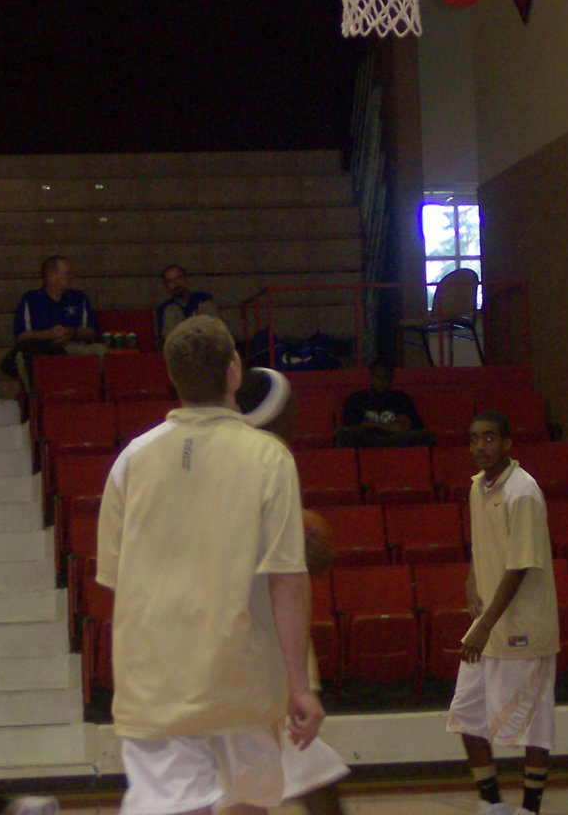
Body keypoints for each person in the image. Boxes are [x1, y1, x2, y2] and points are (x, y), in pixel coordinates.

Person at [96, 315, 323, 815]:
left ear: (173, 378)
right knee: (247, 805)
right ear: (234, 372)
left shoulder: (130, 460)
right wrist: (299, 687)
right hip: (239, 677)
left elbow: (114, 579)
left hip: (154, 681)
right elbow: (287, 580)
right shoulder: (269, 457)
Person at [237, 367, 349, 815]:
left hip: (260, 641)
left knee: (265, 778)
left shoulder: (254, 458)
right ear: (277, 411)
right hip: (264, 643)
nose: (301, 413)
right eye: (294, 404)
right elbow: (275, 566)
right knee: (308, 771)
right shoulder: (266, 460)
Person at [447, 411, 558, 815]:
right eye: (474, 439)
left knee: (535, 724)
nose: (480, 446)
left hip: (524, 624)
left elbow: (520, 564)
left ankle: (530, 809)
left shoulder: (523, 490)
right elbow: (484, 545)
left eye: (490, 438)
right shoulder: (478, 487)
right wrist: (471, 577)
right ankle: (492, 803)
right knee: (465, 715)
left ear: (508, 443)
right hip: (488, 625)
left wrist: (484, 624)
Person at [5, 255, 100, 383]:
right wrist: (48, 334)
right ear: (52, 276)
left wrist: (71, 332)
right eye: (67, 273)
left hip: (74, 346)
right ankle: (35, 396)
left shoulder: (79, 298)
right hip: (43, 349)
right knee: (22, 356)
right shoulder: (30, 299)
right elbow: (21, 336)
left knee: (102, 351)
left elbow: (92, 332)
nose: (72, 277)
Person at [335, 359, 433, 448]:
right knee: (343, 433)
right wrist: (392, 427)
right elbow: (354, 428)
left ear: (391, 379)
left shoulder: (401, 398)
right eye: (379, 377)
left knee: (426, 435)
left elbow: (406, 427)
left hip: (396, 440)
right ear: (371, 377)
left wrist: (374, 425)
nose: (382, 382)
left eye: (386, 378)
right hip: (368, 440)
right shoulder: (356, 399)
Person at [156, 264, 218, 344]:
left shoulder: (202, 299)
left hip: (206, 348)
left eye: (178, 278)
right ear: (166, 286)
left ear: (186, 279)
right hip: (180, 351)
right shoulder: (164, 308)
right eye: (170, 281)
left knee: (206, 306)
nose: (176, 283)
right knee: (171, 312)